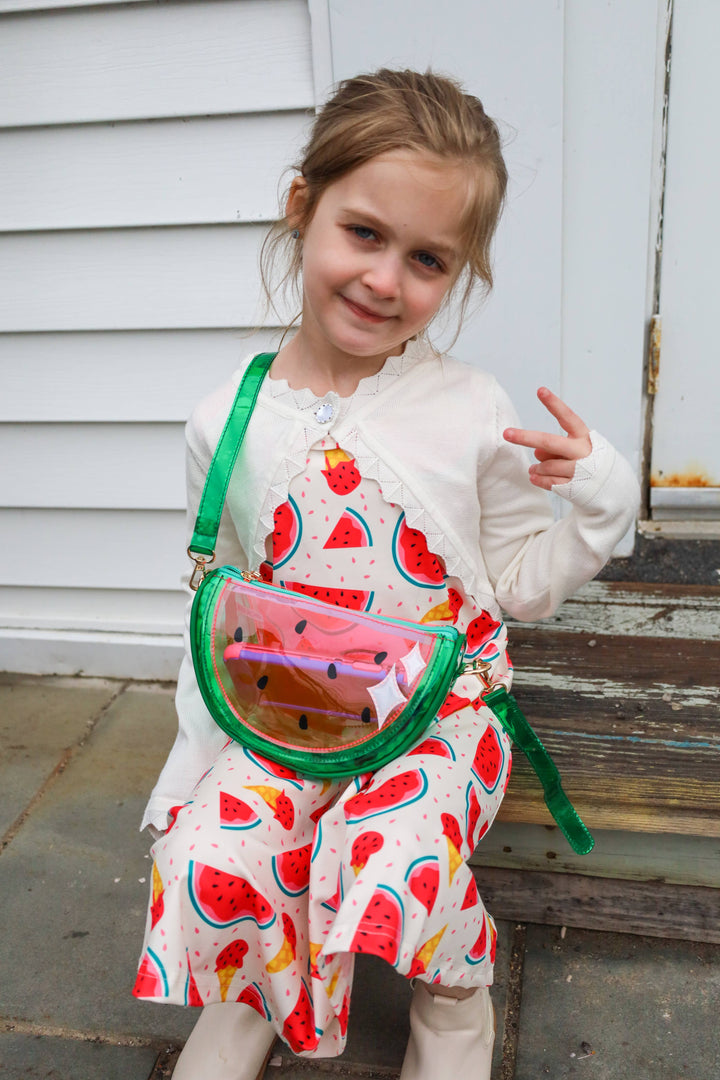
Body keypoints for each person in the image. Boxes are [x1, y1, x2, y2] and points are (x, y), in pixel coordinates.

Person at [133, 69, 639, 1080]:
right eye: (363, 233)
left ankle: (453, 1010)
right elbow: (221, 603)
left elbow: (519, 586)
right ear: (302, 209)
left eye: (426, 259)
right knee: (208, 854)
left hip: (443, 710)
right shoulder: (223, 418)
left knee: (392, 856)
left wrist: (602, 503)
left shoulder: (467, 411)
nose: (384, 280)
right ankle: (254, 990)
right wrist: (193, 765)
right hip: (290, 700)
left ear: (458, 274)